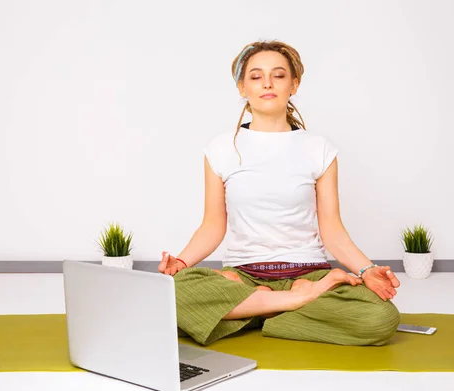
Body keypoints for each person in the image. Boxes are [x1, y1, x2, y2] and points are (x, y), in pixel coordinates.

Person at [158, 40, 401, 346]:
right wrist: (180, 264)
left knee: (381, 317)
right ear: (242, 88)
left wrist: (367, 270)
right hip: (243, 276)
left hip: (308, 273)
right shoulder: (220, 149)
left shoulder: (319, 149)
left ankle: (250, 311)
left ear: (294, 84)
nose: (268, 83)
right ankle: (291, 304)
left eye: (279, 75)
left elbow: (332, 228)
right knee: (172, 291)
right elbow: (212, 225)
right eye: (256, 76)